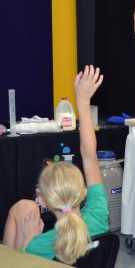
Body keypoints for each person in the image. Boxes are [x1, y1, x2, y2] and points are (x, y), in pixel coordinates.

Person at [2, 66, 109, 265]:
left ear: (43, 201)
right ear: (84, 191)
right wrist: (83, 102)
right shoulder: (99, 214)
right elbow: (89, 155)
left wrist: (26, 242)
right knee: (21, 208)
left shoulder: (39, 245)